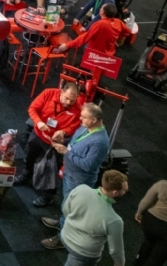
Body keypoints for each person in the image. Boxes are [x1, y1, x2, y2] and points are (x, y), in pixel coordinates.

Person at [41, 102, 111, 250]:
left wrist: (66, 152)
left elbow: (88, 165)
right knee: (67, 204)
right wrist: (64, 141)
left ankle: (62, 239)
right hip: (70, 173)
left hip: (80, 179)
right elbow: (75, 142)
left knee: (72, 210)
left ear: (94, 120)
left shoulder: (100, 142)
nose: (80, 119)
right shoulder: (86, 128)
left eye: (84, 117)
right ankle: (61, 222)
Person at [14, 82, 82, 206]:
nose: (68, 102)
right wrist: (38, 122)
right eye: (66, 98)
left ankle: (48, 196)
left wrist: (64, 131)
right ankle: (26, 175)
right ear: (61, 91)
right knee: (30, 156)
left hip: (55, 143)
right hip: (38, 134)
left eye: (72, 100)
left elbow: (75, 127)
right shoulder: (48, 93)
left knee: (51, 169)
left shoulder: (78, 109)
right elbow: (33, 109)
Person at [59, 170, 128, 265]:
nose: (126, 190)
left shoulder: (81, 189)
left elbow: (66, 210)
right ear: (115, 192)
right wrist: (119, 263)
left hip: (65, 236)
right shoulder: (115, 220)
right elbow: (115, 251)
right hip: (83, 253)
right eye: (125, 189)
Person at [135, 165, 167, 265]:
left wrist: (139, 213)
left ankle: (138, 262)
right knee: (157, 259)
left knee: (148, 242)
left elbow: (145, 203)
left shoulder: (162, 185)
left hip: (151, 223)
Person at [55, 4, 132, 57]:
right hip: (109, 54)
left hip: (94, 54)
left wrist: (68, 45)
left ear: (102, 12)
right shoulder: (118, 22)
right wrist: (115, 38)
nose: (100, 9)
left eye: (101, 8)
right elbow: (127, 32)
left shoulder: (100, 24)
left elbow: (85, 37)